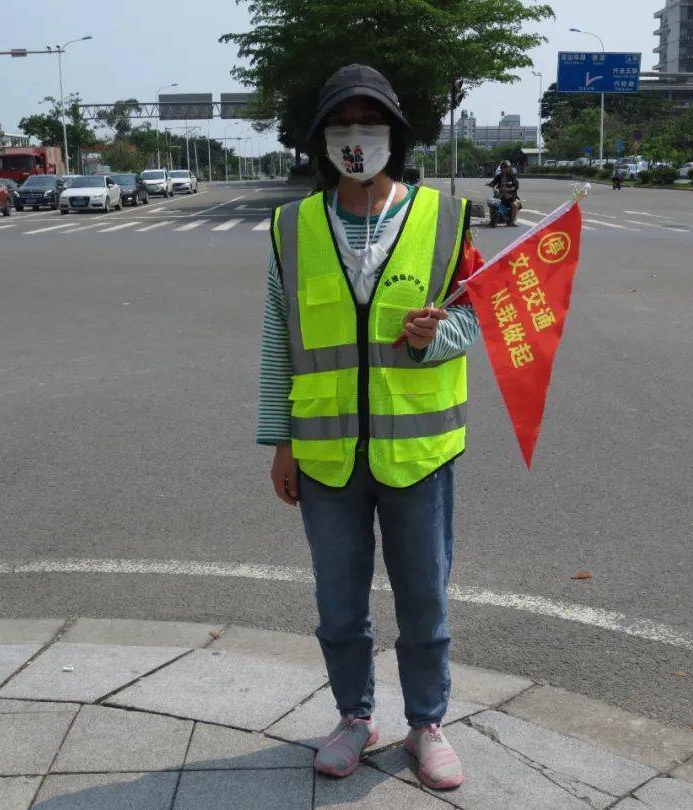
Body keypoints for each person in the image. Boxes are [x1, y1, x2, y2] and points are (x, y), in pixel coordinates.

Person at [259, 64, 485, 790]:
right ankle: (354, 717)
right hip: (325, 455)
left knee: (425, 600)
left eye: (370, 121)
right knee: (338, 604)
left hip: (418, 452)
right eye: (341, 123)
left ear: (396, 134)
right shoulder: (292, 227)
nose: (356, 135)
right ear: (321, 139)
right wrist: (281, 442)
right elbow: (280, 341)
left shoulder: (446, 218)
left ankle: (427, 723)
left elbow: (477, 319)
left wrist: (435, 337)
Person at [487, 160, 520, 224]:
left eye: (506, 167)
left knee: (515, 204)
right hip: (500, 196)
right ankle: (492, 221)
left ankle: (513, 221)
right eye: (502, 167)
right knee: (492, 203)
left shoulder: (512, 176)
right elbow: (494, 182)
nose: (504, 169)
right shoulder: (499, 176)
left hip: (510, 196)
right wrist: (490, 185)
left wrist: (508, 189)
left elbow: (516, 186)